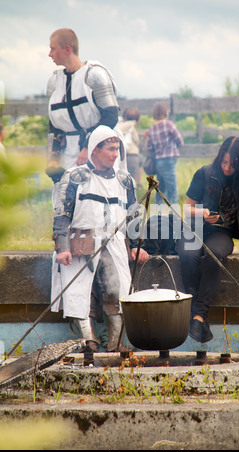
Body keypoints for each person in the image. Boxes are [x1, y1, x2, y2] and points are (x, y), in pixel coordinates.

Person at [50, 125, 149, 353]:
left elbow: (134, 216)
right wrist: (63, 247)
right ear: (95, 149)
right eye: (111, 149)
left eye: (117, 149)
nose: (116, 154)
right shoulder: (75, 177)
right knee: (79, 290)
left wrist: (135, 246)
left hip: (114, 241)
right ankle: (89, 341)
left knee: (119, 288)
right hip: (80, 241)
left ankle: (114, 344)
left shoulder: (125, 180)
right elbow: (63, 214)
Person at [177, 136, 239, 344]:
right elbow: (186, 208)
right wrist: (202, 213)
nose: (227, 168)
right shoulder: (204, 173)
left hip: (223, 234)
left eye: (233, 164)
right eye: (224, 162)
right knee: (186, 254)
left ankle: (199, 315)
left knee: (215, 255)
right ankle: (197, 317)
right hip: (196, 228)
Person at [46, 28, 120, 183]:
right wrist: (53, 158)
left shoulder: (94, 76)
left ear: (67, 49)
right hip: (68, 154)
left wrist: (89, 147)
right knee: (66, 201)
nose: (50, 54)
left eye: (53, 49)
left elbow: (111, 116)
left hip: (98, 153)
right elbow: (55, 125)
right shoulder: (54, 83)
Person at [146, 101, 183, 205]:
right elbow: (180, 140)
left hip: (158, 162)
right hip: (169, 160)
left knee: (160, 189)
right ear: (166, 113)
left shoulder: (152, 128)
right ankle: (173, 214)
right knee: (172, 190)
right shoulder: (169, 125)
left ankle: (158, 213)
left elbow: (149, 147)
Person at [118, 108, 143, 184]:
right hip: (132, 156)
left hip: (121, 156)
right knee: (131, 183)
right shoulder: (131, 127)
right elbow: (137, 141)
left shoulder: (118, 125)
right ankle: (138, 184)